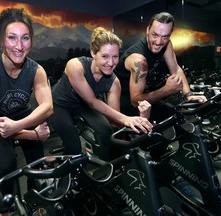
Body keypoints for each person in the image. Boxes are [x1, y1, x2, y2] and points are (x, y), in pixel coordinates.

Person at [0, 8, 53, 216]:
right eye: (12, 38)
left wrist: (18, 127)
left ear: (31, 41)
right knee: (7, 164)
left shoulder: (36, 70)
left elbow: (47, 107)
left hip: (21, 116)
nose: (19, 46)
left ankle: (36, 201)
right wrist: (34, 134)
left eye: (25, 38)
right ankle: (5, 211)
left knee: (37, 160)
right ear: (1, 41)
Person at [50, 27, 153, 161]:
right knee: (73, 145)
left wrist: (140, 118)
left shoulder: (114, 82)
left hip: (83, 105)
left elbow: (114, 121)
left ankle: (104, 169)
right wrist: (126, 118)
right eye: (105, 56)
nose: (111, 63)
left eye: (115, 56)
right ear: (93, 53)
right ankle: (68, 178)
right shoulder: (75, 66)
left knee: (106, 131)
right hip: (60, 105)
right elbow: (92, 101)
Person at [114, 12, 207, 123]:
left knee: (177, 119)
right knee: (152, 132)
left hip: (144, 95)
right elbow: (135, 100)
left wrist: (189, 95)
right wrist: (166, 90)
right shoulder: (138, 61)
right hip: (124, 99)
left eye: (165, 37)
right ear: (148, 30)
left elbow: (176, 69)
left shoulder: (167, 44)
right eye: (155, 35)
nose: (158, 42)